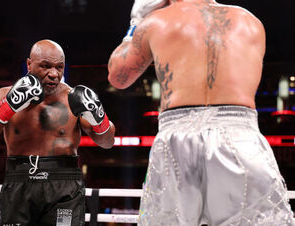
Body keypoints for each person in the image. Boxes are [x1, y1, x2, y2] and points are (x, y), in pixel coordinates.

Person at [108, 0, 294, 225]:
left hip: (177, 138)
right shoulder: (250, 22)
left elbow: (118, 77)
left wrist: (134, 26)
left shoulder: (156, 22)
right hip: (241, 137)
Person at [0, 39, 115, 226]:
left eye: (59, 67)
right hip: (20, 181)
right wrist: (9, 106)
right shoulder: (4, 95)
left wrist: (100, 117)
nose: (54, 74)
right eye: (46, 66)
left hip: (64, 187)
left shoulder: (73, 99)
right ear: (29, 64)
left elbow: (107, 142)